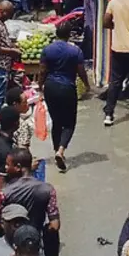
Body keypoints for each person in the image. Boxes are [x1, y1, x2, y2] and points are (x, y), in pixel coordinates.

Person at [0, 148, 61, 256]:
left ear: (17, 167)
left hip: (11, 247)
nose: (6, 168)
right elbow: (54, 226)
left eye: (8, 164)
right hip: (36, 246)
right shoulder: (48, 189)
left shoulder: (5, 192)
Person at [37, 33, 87, 173]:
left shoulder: (47, 49)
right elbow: (81, 71)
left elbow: (42, 71)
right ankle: (61, 150)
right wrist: (87, 85)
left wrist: (40, 86)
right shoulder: (75, 51)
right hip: (67, 88)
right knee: (70, 123)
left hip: (51, 88)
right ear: (68, 35)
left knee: (56, 122)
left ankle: (56, 151)